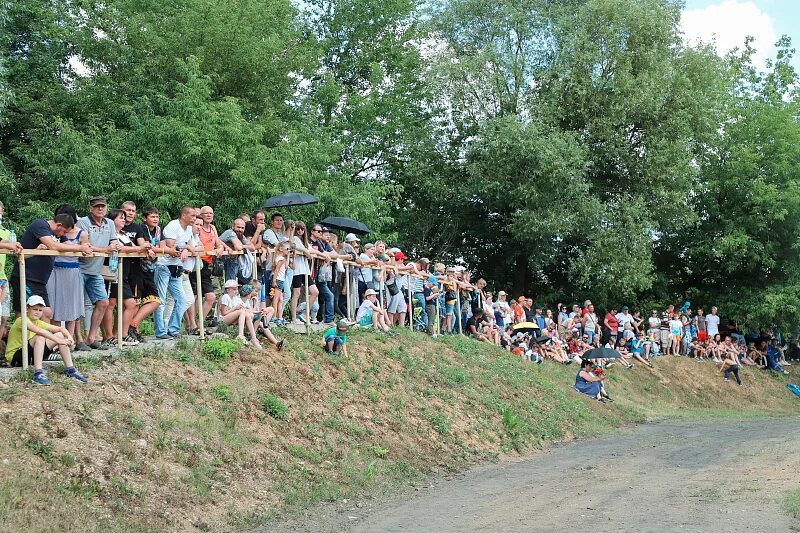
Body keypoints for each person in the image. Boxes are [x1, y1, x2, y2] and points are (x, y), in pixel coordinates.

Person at [10, 213, 92, 321]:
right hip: (26, 277)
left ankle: (42, 338)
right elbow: (52, 245)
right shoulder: (40, 225)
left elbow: (70, 246)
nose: (64, 234)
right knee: (24, 312)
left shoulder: (58, 234)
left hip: (40, 280)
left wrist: (86, 248)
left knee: (46, 312)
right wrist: (80, 247)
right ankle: (19, 337)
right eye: (64, 231)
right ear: (58, 225)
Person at [4, 295, 88, 384]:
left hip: (30, 355)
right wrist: (58, 341)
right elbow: (40, 331)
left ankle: (71, 370)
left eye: (40, 310)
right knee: (40, 337)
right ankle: (38, 373)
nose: (37, 312)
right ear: (27, 309)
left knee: (60, 335)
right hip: (16, 358)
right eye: (35, 309)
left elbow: (61, 329)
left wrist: (70, 337)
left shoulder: (38, 322)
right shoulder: (22, 320)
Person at [76, 196, 122, 349]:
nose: (100, 209)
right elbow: (85, 245)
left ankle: (91, 337)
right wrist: (106, 249)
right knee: (77, 305)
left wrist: (114, 245)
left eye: (102, 206)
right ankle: (78, 339)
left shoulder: (109, 223)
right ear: (91, 208)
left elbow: (113, 241)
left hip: (96, 270)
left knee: (103, 302)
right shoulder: (83, 222)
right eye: (97, 207)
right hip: (79, 268)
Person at [46, 206, 87, 351]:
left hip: (72, 271)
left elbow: (86, 252)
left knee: (71, 308)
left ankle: (69, 341)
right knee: (55, 307)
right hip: (55, 269)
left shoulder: (81, 234)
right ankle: (56, 341)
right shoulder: (52, 232)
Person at [154, 206, 197, 339]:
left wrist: (186, 249)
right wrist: (185, 248)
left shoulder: (189, 228)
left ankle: (173, 329)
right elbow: (171, 246)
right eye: (192, 216)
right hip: (164, 266)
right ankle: (160, 331)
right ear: (184, 215)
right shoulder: (173, 225)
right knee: (161, 300)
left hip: (177, 267)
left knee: (182, 300)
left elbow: (190, 246)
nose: (194, 218)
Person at [129, 206, 163, 341]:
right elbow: (146, 245)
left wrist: (162, 250)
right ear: (144, 218)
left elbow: (161, 246)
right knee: (136, 302)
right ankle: (131, 330)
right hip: (138, 268)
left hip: (151, 268)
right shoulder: (141, 228)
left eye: (157, 216)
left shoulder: (159, 230)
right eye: (152, 216)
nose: (155, 219)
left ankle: (132, 325)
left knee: (155, 301)